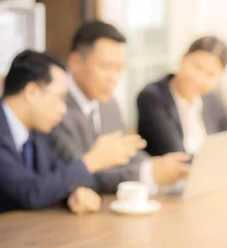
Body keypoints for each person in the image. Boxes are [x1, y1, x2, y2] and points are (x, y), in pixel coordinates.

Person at [0, 50, 145, 218]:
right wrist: (92, 161)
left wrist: (74, 193)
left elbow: (56, 175)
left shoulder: (39, 130)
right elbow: (29, 191)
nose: (63, 109)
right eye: (60, 98)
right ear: (32, 92)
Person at [48, 20, 192, 194]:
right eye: (106, 67)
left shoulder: (110, 104)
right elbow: (80, 173)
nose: (113, 77)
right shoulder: (54, 107)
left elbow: (125, 151)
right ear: (76, 62)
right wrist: (148, 173)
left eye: (119, 69)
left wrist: (156, 165)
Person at [137, 36, 227, 156]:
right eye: (197, 67)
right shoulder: (152, 97)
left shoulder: (212, 100)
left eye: (210, 74)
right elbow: (176, 154)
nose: (199, 79)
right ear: (183, 58)